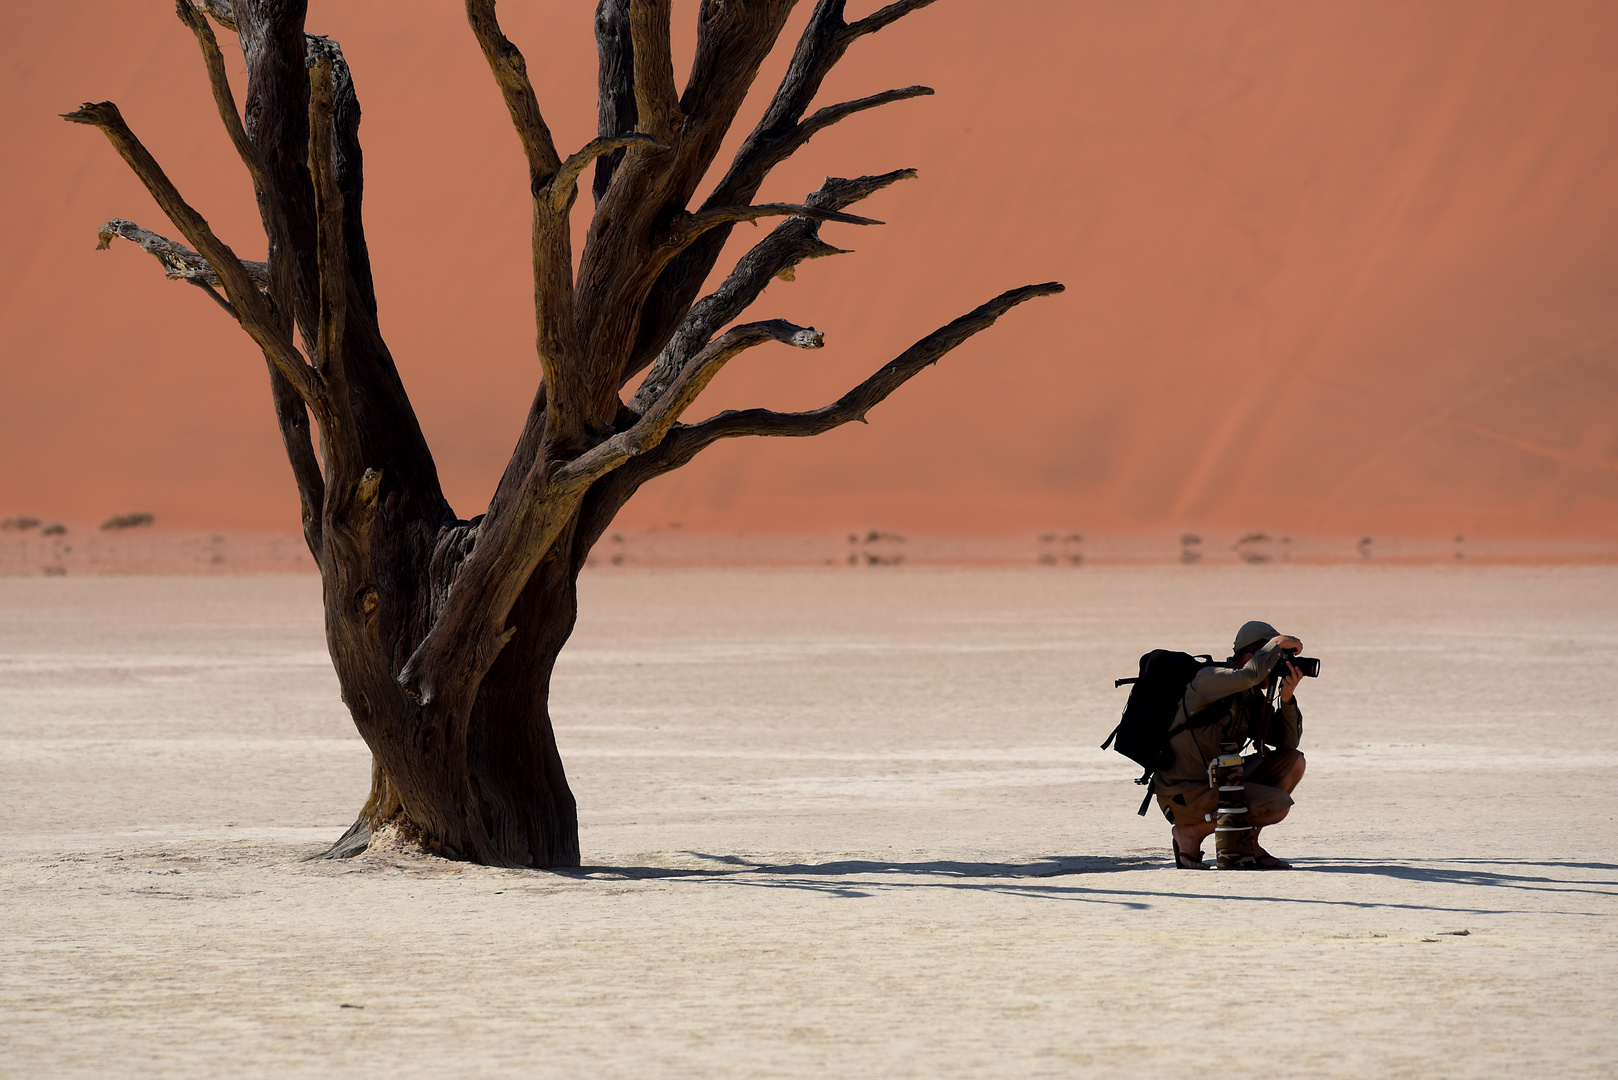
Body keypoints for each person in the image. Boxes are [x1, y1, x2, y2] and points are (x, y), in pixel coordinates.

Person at [1155, 620, 1307, 870]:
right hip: (1185, 794)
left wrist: (1287, 699)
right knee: (1276, 805)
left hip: (1221, 782)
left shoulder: (1250, 696)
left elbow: (1287, 744)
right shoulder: (1209, 679)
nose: (1275, 667)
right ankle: (1189, 831)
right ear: (1250, 656)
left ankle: (1248, 842)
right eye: (1272, 659)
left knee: (1293, 761)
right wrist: (1277, 644)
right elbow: (1249, 675)